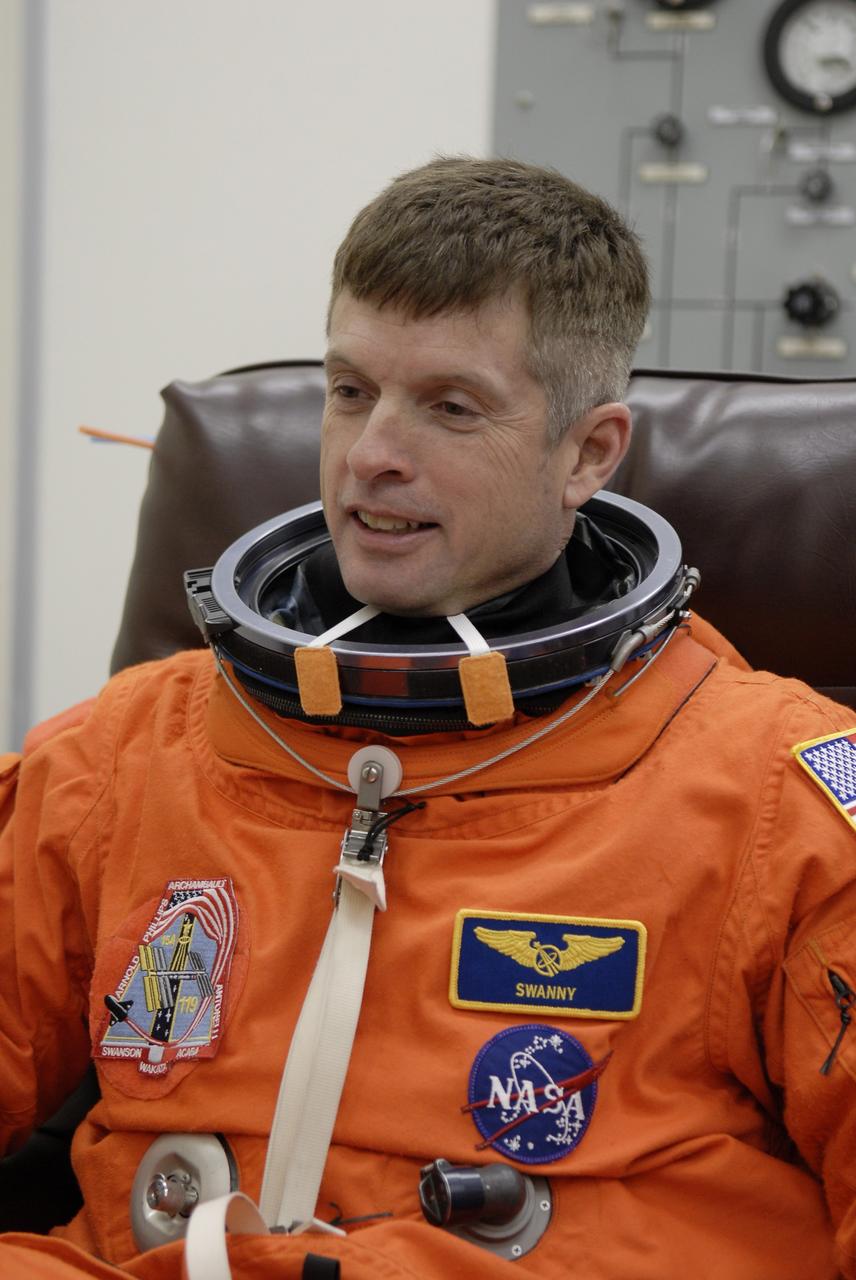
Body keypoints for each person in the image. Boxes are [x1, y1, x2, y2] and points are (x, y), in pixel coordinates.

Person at [1, 157, 855, 1280]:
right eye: (350, 389)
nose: (369, 456)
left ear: (589, 452)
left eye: (449, 407)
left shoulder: (768, 796)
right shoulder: (126, 756)